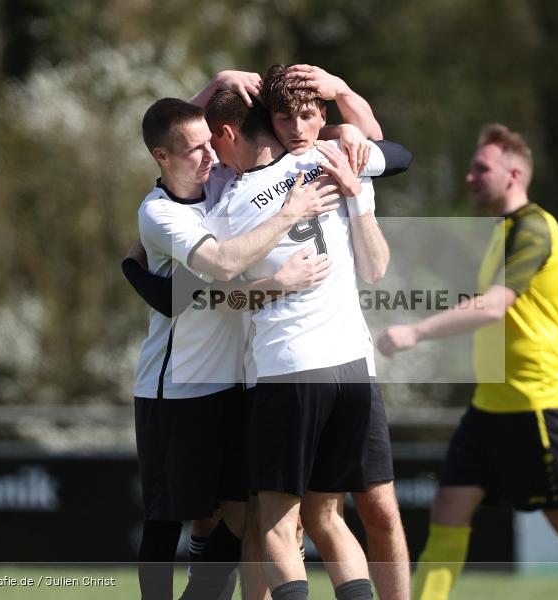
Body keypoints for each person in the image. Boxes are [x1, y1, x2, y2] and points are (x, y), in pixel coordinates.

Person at [377, 124, 558, 600]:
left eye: (482, 169)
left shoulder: (534, 227)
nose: (470, 177)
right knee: (448, 510)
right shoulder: (502, 232)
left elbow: (494, 306)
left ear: (514, 174)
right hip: (489, 404)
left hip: (532, 403)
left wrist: (414, 331)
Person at [201, 86, 411, 600]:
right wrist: (348, 121)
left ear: (228, 136)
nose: (208, 155)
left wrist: (269, 285)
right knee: (328, 519)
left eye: (211, 144)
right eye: (285, 116)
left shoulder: (232, 199)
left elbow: (216, 298)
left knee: (275, 524)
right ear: (271, 123)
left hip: (290, 369)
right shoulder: (339, 159)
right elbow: (398, 156)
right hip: (351, 371)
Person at [131, 96, 339, 600]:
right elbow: (219, 272)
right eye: (193, 150)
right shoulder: (159, 214)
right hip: (176, 388)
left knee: (241, 513)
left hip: (235, 384)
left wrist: (346, 130)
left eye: (210, 144)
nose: (208, 156)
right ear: (162, 157)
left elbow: (195, 291)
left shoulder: (221, 185)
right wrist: (280, 269)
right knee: (168, 516)